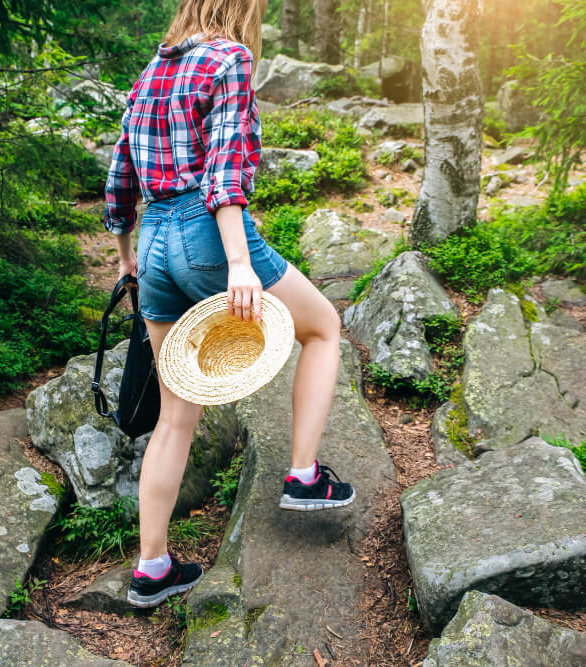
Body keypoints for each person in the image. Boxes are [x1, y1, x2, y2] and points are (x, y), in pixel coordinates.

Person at [103, 0, 355, 609]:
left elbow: (119, 176)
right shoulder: (231, 59)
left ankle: (153, 568)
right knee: (323, 326)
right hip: (206, 232)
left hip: (155, 243)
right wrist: (239, 262)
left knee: (174, 416)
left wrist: (124, 254)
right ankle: (302, 475)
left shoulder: (151, 71)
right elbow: (224, 168)